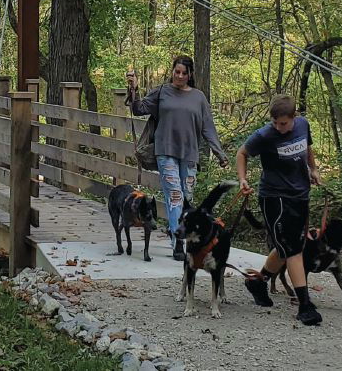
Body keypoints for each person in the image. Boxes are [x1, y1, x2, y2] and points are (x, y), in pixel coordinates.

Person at [126, 55, 228, 261]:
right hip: (166, 151)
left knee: (187, 199)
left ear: (190, 74)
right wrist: (134, 88)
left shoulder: (198, 98)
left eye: (184, 73)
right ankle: (178, 243)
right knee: (175, 197)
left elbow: (208, 127)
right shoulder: (162, 91)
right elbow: (139, 109)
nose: (180, 76)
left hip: (189, 154)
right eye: (177, 72)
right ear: (172, 71)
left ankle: (182, 233)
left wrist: (220, 153)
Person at [236, 94, 323, 326]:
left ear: (293, 118)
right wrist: (243, 180)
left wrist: (313, 169)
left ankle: (258, 281)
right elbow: (242, 153)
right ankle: (305, 305)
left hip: (300, 195)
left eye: (283, 123)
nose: (278, 127)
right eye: (275, 122)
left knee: (286, 247)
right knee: (293, 249)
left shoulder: (303, 125)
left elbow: (308, 148)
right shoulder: (265, 135)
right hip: (275, 198)